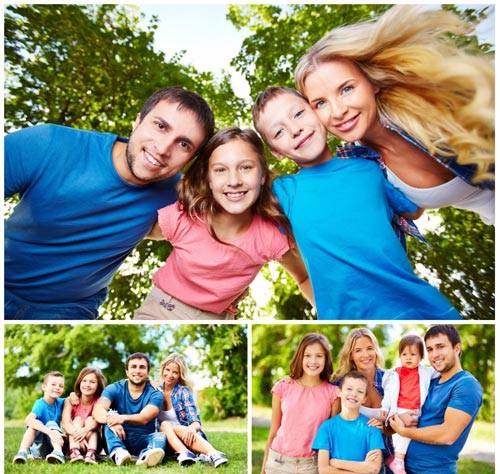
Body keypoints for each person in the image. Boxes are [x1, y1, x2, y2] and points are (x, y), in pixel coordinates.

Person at [5, 87, 214, 320]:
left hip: (69, 309)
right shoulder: (49, 144)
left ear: (191, 159)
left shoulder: (180, 195)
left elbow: (248, 198)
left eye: (184, 144)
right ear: (138, 121)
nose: (164, 148)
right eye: (160, 126)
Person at [252, 87, 461, 321]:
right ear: (275, 151)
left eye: (298, 114)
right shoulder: (282, 192)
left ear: (317, 111)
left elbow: (414, 210)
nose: (295, 129)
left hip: (421, 307)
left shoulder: (371, 165)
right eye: (279, 132)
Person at [295, 6, 494, 226]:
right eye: (320, 103)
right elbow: (408, 213)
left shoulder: (425, 105)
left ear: (373, 83)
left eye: (346, 89)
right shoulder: (360, 166)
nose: (338, 111)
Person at [133, 126, 314, 320]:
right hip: (163, 308)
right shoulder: (184, 217)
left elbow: (303, 277)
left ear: (262, 175)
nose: (234, 180)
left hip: (217, 320)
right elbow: (128, 233)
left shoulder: (270, 237)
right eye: (220, 170)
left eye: (246, 167)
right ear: (208, 179)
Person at [387, 326, 484, 474]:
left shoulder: (466, 385)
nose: (434, 354)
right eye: (430, 349)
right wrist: (398, 419)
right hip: (408, 470)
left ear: (457, 348)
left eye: (440, 347)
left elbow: (447, 435)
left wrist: (405, 432)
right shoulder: (430, 382)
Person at [259, 333, 340, 474]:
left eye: (319, 356)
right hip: (278, 464)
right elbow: (273, 432)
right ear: (300, 357)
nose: (313, 361)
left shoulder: (333, 394)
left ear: (326, 359)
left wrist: (325, 472)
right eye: (307, 355)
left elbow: (331, 439)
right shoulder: (283, 387)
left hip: (312, 468)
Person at [93, 351, 167, 467]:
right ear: (127, 371)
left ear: (147, 372)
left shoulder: (155, 394)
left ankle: (146, 455)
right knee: (108, 423)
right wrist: (112, 421)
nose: (137, 371)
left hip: (143, 439)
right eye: (133, 367)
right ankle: (119, 452)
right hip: (117, 436)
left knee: (160, 436)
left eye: (142, 367)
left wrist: (121, 418)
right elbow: (98, 409)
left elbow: (144, 418)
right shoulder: (114, 388)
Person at [380, 334, 436, 474]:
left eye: (413, 354)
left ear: (421, 357)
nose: (408, 357)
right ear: (400, 356)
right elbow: (388, 394)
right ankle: (398, 460)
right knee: (405, 433)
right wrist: (385, 408)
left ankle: (397, 459)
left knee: (411, 436)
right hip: (399, 409)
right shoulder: (394, 374)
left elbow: (441, 370)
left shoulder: (425, 372)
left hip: (416, 410)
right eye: (404, 354)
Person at [157, 354, 228, 468]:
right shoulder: (154, 391)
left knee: (177, 427)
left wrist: (191, 429)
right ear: (162, 369)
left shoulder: (183, 391)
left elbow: (195, 421)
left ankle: (213, 453)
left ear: (180, 375)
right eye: (168, 370)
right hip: (166, 440)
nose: (170, 375)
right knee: (165, 424)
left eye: (175, 372)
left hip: (187, 436)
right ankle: (188, 453)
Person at [312, 370, 384, 474]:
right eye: (349, 389)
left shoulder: (372, 427)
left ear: (364, 398)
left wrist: (337, 463)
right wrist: (364, 467)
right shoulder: (326, 428)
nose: (354, 394)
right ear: (339, 392)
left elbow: (374, 468)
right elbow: (324, 470)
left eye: (360, 391)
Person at [13, 371, 66, 465]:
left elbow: (73, 398)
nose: (57, 387)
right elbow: (28, 420)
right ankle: (22, 452)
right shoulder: (40, 404)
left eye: (61, 386)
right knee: (36, 424)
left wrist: (73, 395)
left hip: (53, 444)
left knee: (51, 424)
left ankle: (58, 453)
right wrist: (49, 432)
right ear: (44, 387)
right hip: (39, 447)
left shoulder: (61, 402)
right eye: (53, 384)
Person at [61, 366, 106, 464]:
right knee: (77, 419)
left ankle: (91, 455)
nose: (87, 384)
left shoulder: (100, 401)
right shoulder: (70, 400)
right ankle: (75, 452)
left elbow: (97, 422)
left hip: (93, 442)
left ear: (98, 385)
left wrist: (84, 431)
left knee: (90, 420)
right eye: (84, 381)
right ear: (79, 382)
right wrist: (78, 436)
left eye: (92, 382)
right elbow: (65, 422)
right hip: (73, 441)